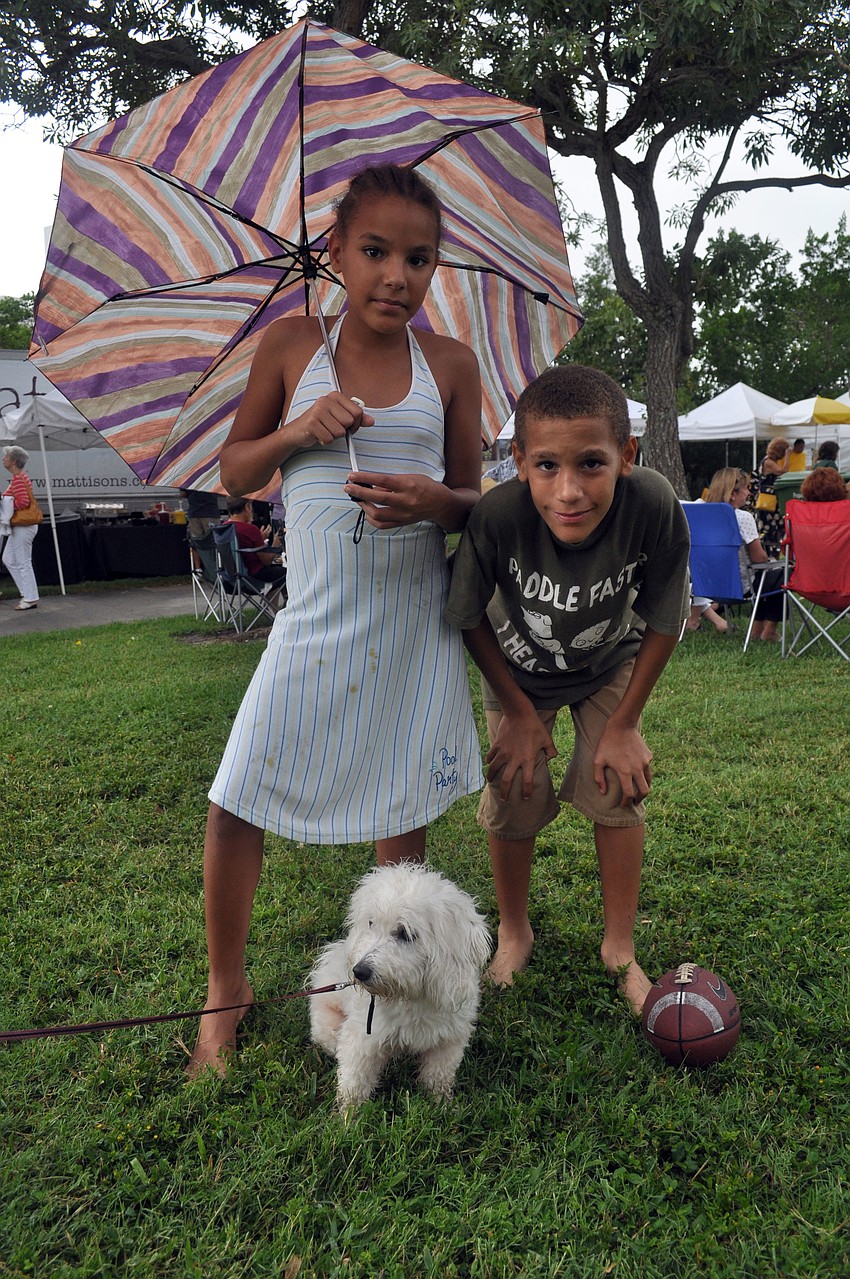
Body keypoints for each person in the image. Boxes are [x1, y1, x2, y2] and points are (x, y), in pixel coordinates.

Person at [188, 163, 484, 1076]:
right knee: (237, 797)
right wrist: (297, 432)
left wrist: (436, 500)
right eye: (375, 251)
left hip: (410, 629)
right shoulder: (289, 346)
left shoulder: (450, 366)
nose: (397, 275)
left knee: (404, 807)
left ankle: (399, 986)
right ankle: (224, 990)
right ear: (335, 256)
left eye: (420, 258)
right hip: (313, 624)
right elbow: (234, 473)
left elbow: (479, 505)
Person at [444, 365, 691, 1015]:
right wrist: (519, 713)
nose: (570, 490)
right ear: (519, 461)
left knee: (616, 782)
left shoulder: (654, 504)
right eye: (548, 466)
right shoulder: (497, 515)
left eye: (591, 463)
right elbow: (468, 615)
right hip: (518, 672)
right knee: (516, 787)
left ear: (628, 456)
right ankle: (515, 929)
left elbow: (666, 615)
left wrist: (626, 722)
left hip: (609, 663)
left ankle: (619, 945)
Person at [705, 467, 784, 642]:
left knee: (767, 576)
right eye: (746, 488)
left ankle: (757, 631)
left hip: (707, 587)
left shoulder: (700, 515)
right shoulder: (742, 517)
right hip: (739, 587)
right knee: (780, 573)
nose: (749, 493)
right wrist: (770, 559)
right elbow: (758, 559)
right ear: (733, 494)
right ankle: (768, 631)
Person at [223, 495, 287, 601]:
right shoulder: (250, 529)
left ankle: (273, 611)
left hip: (231, 578)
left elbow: (240, 546)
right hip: (254, 577)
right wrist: (276, 542)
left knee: (275, 573)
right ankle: (287, 607)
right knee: (286, 572)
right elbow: (266, 561)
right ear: (247, 507)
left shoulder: (224, 527)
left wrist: (259, 539)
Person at [2, 445, 42, 611]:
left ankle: (30, 598)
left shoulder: (18, 479)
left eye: (6, 457)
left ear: (13, 461)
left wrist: (6, 503)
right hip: (23, 526)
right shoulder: (21, 477)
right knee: (9, 559)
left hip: (23, 526)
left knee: (22, 561)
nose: (3, 459)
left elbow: (23, 502)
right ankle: (27, 593)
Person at [751, 437, 790, 557]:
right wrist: (789, 456)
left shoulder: (768, 461)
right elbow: (783, 471)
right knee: (770, 529)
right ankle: (770, 554)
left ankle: (773, 553)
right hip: (768, 503)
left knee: (774, 528)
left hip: (770, 501)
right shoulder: (768, 462)